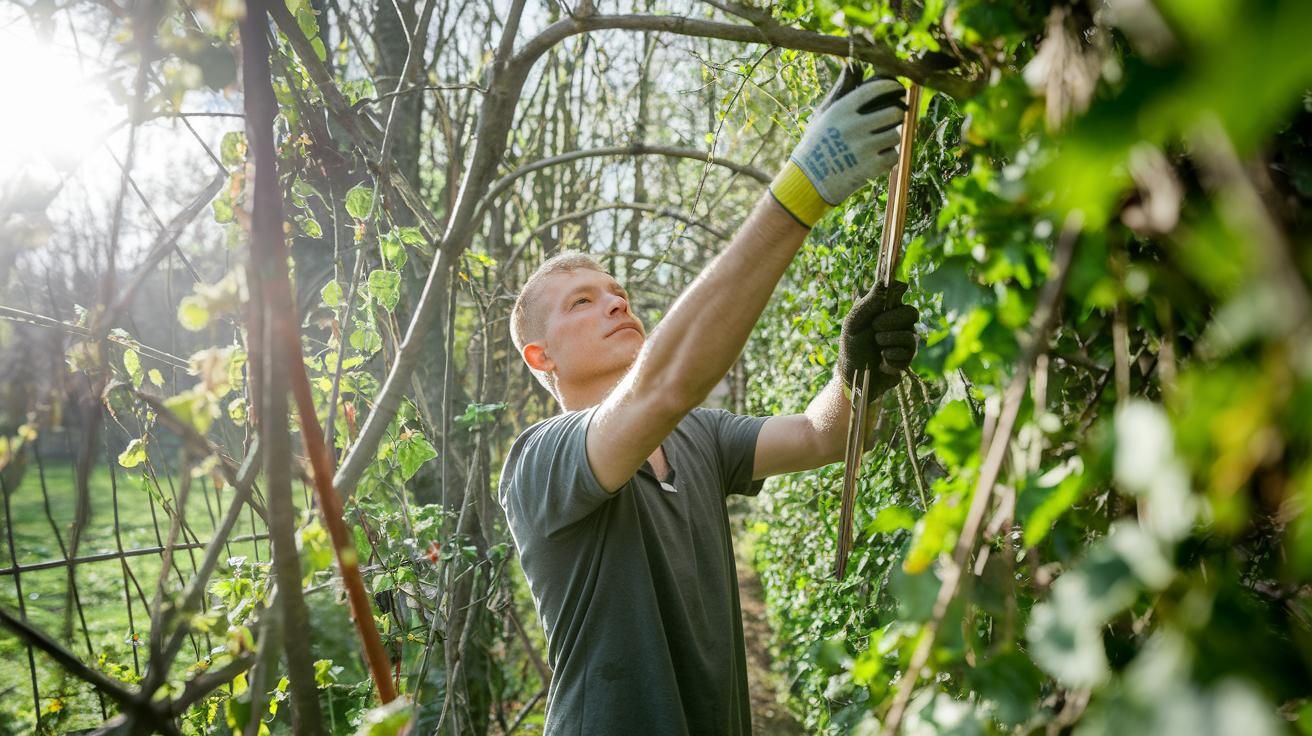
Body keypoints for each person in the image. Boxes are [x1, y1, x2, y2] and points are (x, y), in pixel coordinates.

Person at [497, 64, 920, 735]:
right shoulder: (539, 463)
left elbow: (822, 435)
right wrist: (802, 189)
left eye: (618, 295)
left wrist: (854, 373)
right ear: (540, 357)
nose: (614, 302)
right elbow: (666, 385)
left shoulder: (698, 435)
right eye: (583, 302)